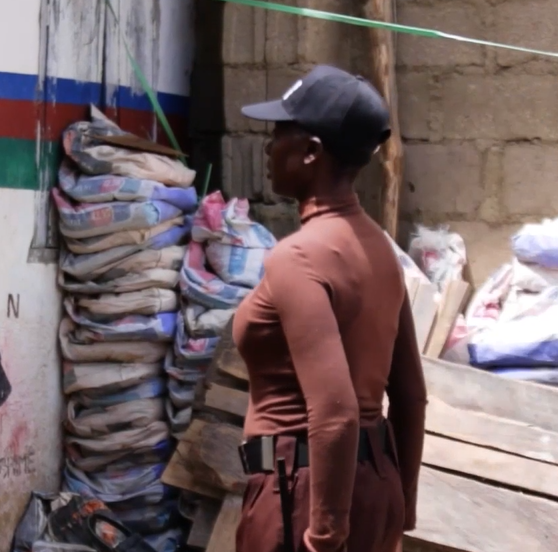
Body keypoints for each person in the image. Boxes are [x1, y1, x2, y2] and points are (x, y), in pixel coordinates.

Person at [231, 65, 428, 552]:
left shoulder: (297, 257)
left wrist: (325, 535)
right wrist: (400, 507)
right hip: (371, 490)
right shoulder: (379, 249)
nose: (269, 146)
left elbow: (336, 413)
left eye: (280, 132)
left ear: (311, 152)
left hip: (300, 499)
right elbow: (411, 394)